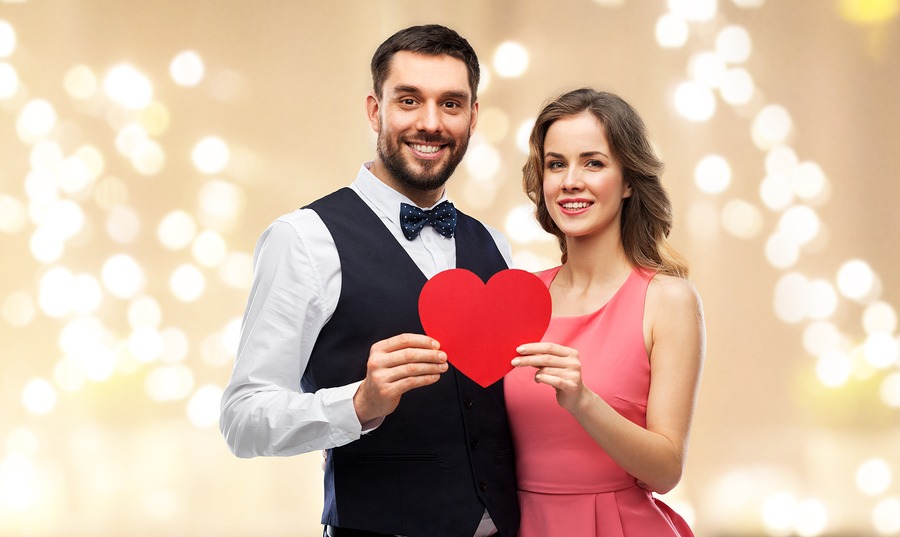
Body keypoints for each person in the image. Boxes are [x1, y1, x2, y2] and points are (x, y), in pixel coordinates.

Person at [219, 25, 519, 537]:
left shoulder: (495, 245)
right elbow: (243, 419)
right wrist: (358, 404)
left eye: (451, 104)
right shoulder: (303, 239)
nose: (430, 123)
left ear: (472, 117)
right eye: (409, 100)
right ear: (375, 111)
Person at [506, 88, 705, 536]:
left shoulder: (668, 300)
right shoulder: (520, 294)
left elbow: (666, 471)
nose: (570, 181)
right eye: (556, 164)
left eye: (593, 163)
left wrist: (583, 401)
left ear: (629, 180)